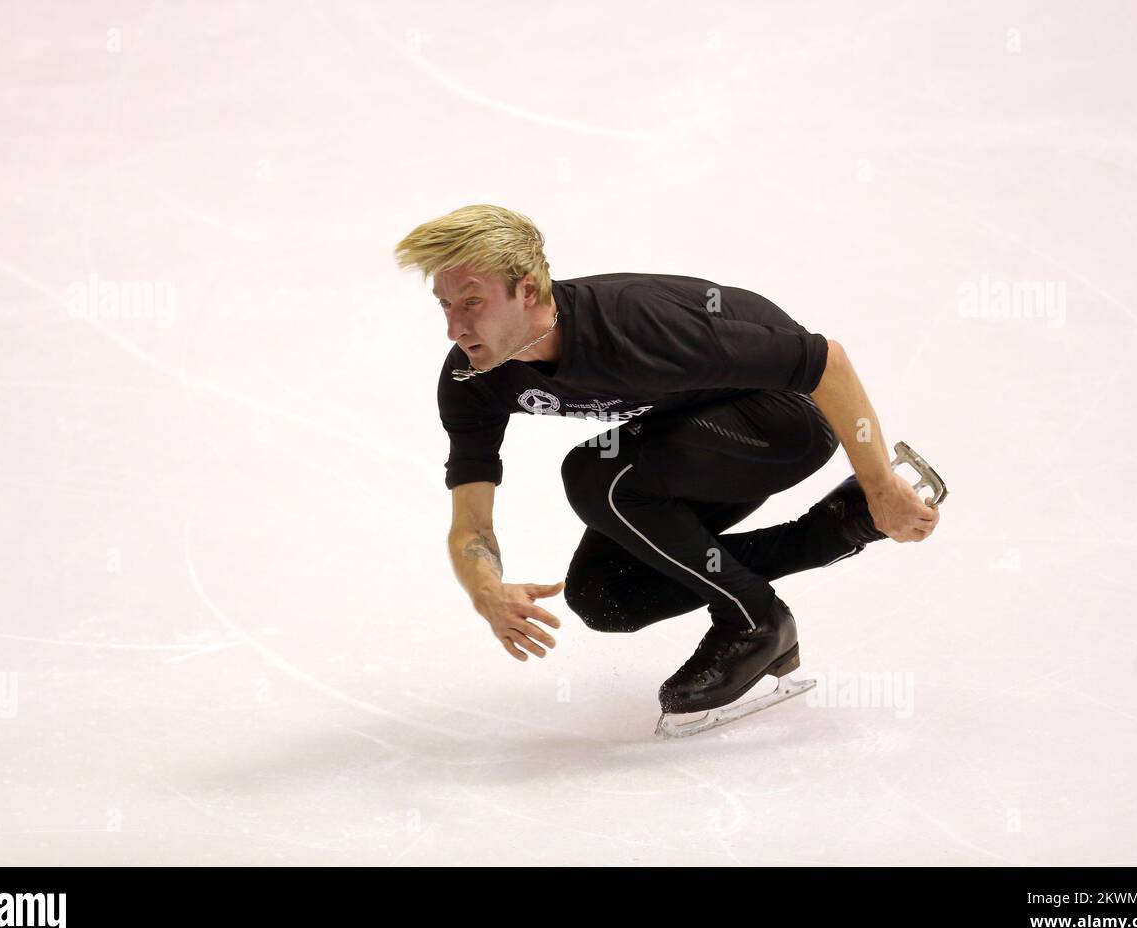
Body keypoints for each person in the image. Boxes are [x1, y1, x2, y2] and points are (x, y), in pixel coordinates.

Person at [394, 204, 940, 721]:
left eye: (472, 303)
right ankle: (837, 527)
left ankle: (753, 623)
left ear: (528, 290)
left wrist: (881, 486)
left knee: (595, 473)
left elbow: (828, 363)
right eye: (444, 305)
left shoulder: (637, 324)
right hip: (693, 443)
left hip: (783, 419)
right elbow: (471, 525)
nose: (454, 328)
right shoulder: (472, 377)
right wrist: (485, 588)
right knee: (606, 597)